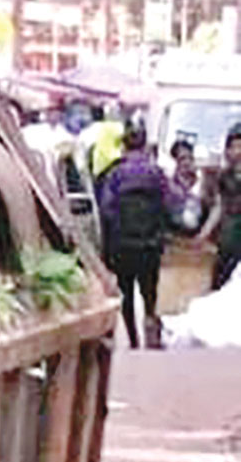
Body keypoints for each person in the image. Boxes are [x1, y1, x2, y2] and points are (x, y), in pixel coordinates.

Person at [97, 122, 184, 349]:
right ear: (145, 144)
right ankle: (150, 331)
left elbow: (106, 208)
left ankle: (133, 340)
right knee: (149, 291)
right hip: (150, 244)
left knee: (125, 290)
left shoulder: (114, 173)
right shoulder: (156, 172)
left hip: (123, 244)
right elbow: (172, 202)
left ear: (124, 145)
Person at [195, 124, 241, 291]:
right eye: (233, 146)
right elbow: (219, 206)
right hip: (228, 236)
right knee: (220, 281)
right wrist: (203, 234)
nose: (237, 151)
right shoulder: (224, 176)